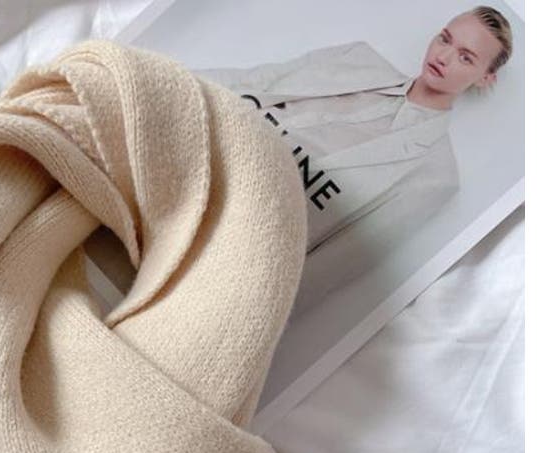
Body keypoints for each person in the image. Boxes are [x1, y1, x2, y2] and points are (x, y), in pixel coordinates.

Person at [196, 6, 513, 318]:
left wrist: (244, 313)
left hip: (237, 243)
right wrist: (178, 83)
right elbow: (255, 79)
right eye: (445, 39)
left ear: (485, 78)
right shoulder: (359, 58)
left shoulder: (436, 175)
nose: (443, 56)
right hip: (203, 152)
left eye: (466, 57)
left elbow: (338, 262)